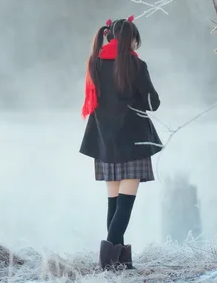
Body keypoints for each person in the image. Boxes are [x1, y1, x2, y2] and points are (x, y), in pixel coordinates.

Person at [79, 16, 162, 271]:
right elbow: (152, 104)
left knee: (114, 204)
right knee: (124, 206)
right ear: (131, 40)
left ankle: (121, 264)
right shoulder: (136, 66)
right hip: (133, 141)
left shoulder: (95, 63)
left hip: (105, 141)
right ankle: (108, 263)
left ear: (109, 36)